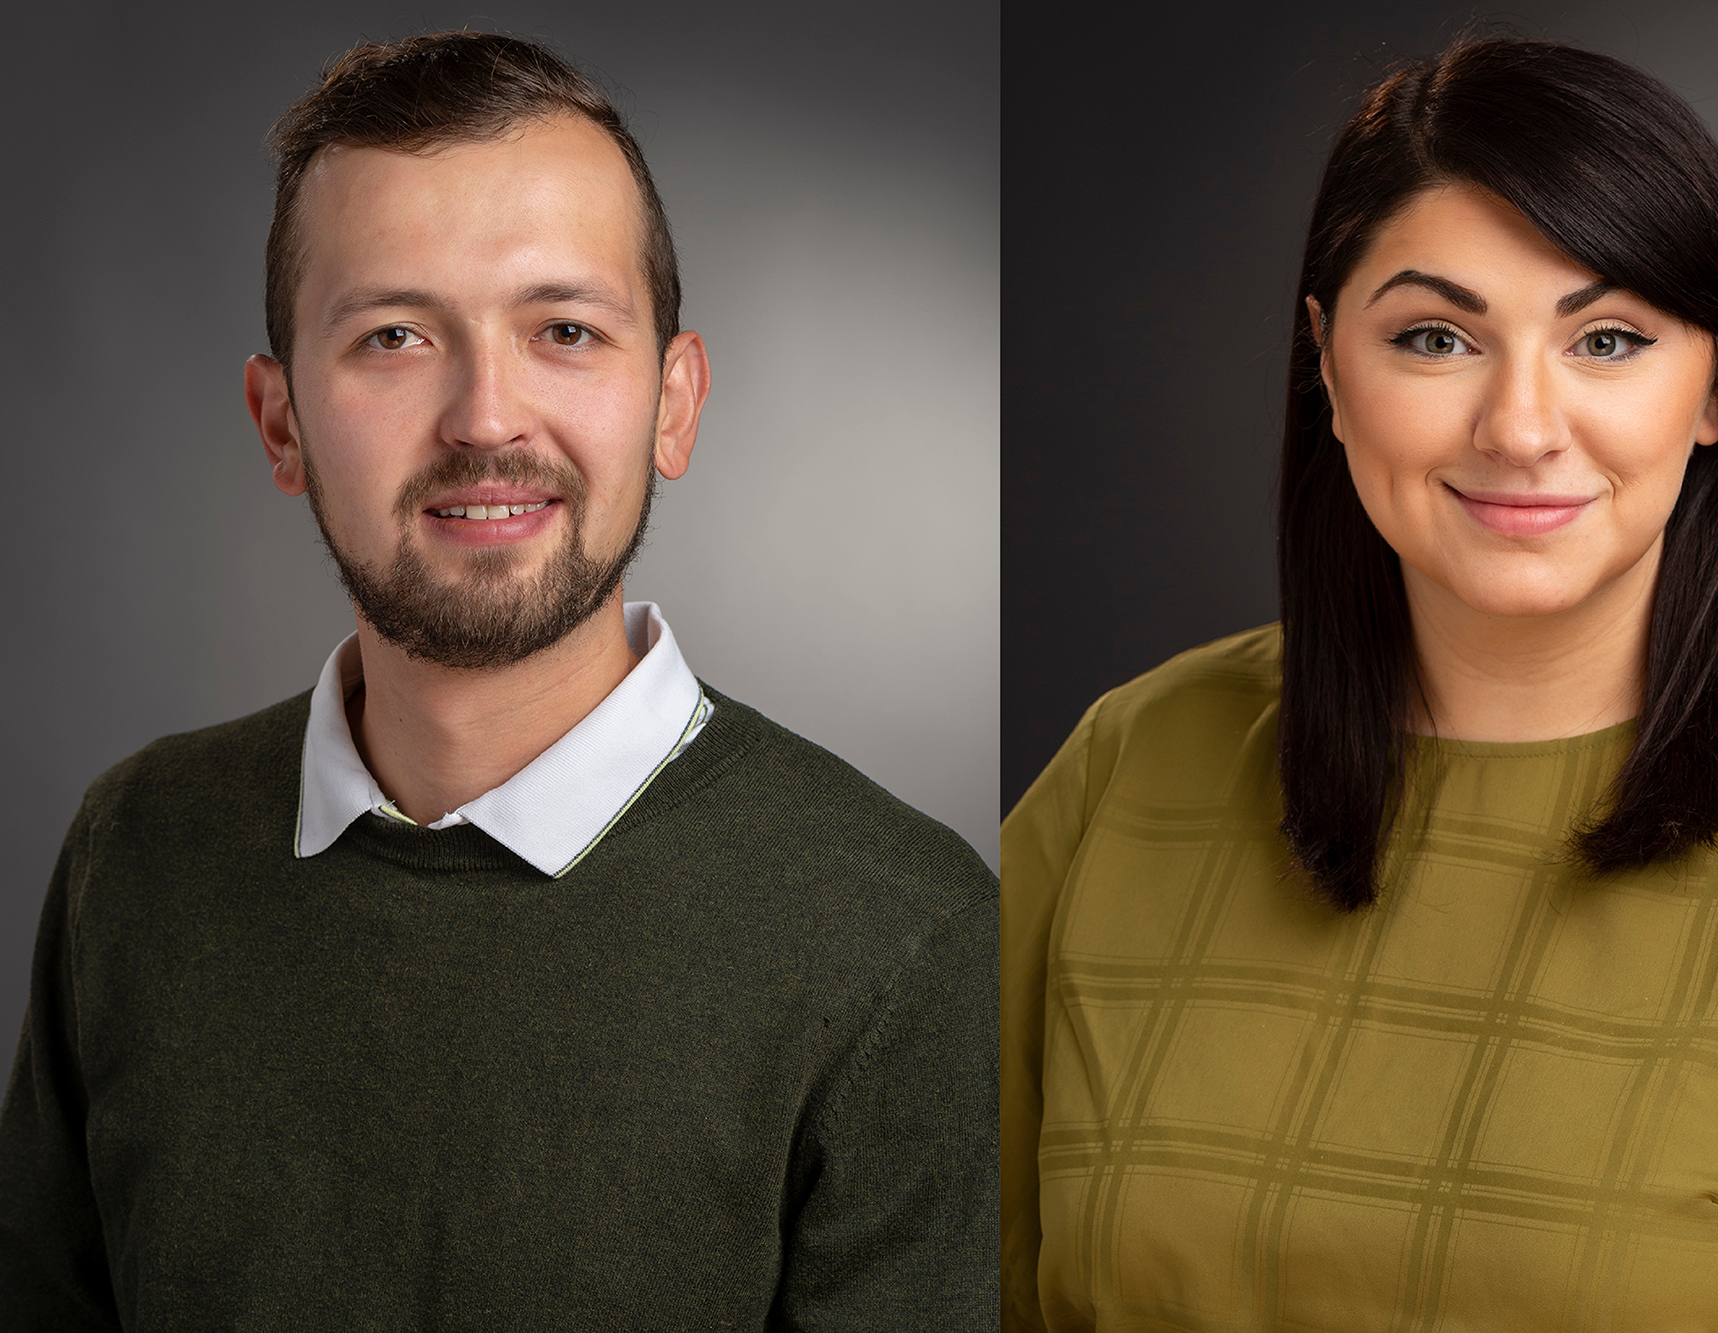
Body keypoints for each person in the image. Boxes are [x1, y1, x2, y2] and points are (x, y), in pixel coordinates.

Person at [1002, 36, 1718, 1332]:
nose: (1523, 428)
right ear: (1327, 362)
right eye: (1434, 336)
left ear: (1716, 387)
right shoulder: (1125, 768)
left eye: (1609, 338)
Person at [0, 31, 996, 1329]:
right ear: (281, 422)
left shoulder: (905, 942)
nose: (485, 416)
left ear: (674, 403)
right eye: (397, 334)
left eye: (565, 329)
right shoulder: (130, 852)